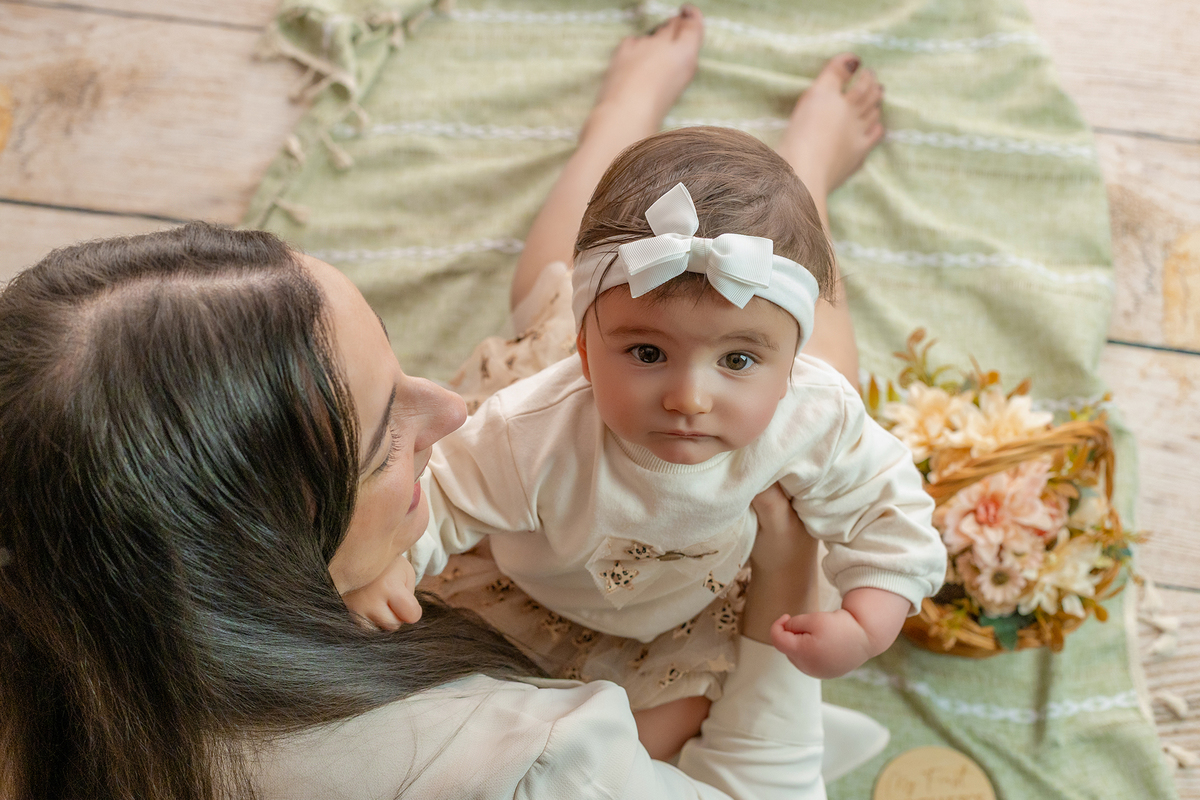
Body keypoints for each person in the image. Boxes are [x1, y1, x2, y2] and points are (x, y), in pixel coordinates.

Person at [0, 220, 865, 800]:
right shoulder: (537, 763)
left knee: (557, 303)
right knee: (817, 393)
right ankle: (804, 202)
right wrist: (792, 571)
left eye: (396, 366)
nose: (454, 413)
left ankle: (641, 126)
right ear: (253, 541)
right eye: (385, 434)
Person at [343, 5, 945, 763]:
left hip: (681, 616)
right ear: (590, 353)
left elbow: (891, 507)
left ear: (788, 366)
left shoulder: (810, 407)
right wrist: (387, 563)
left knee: (653, 742)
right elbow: (445, 492)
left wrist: (870, 616)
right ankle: (621, 116)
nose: (689, 398)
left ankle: (808, 167)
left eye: (738, 361)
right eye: (648, 354)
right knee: (549, 287)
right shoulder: (532, 427)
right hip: (526, 590)